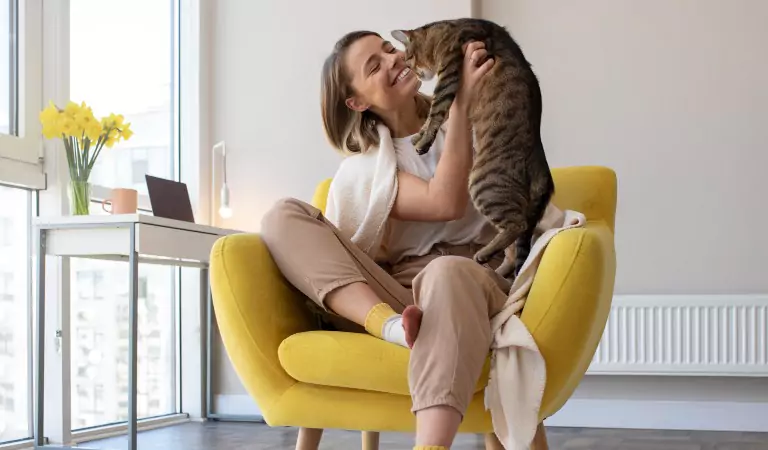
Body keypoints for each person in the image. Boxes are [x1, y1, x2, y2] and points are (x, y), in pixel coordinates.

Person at [260, 30, 508, 450]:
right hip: (398, 295)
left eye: (389, 49)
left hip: (475, 280)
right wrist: (462, 102)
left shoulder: (469, 123)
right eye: (374, 65)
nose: (393, 60)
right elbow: (443, 200)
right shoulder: (364, 170)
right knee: (280, 215)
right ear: (357, 102)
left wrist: (465, 101)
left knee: (446, 273)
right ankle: (390, 327)